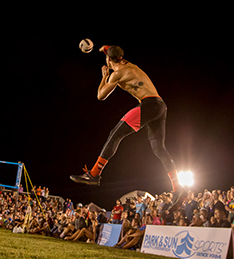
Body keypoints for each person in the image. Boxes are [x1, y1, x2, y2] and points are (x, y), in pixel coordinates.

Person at [69, 45, 184, 206]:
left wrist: (104, 76)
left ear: (109, 59)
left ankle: (94, 174)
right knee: (159, 149)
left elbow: (100, 96)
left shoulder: (117, 74)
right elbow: (111, 50)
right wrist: (104, 48)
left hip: (149, 104)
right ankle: (178, 188)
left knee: (115, 133)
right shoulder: (128, 65)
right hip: (160, 106)